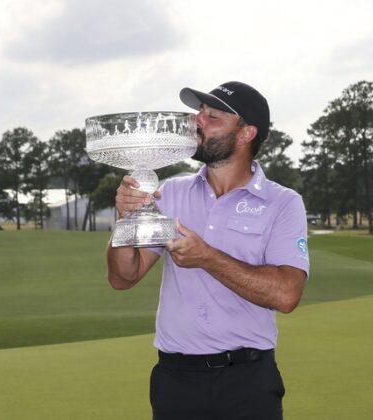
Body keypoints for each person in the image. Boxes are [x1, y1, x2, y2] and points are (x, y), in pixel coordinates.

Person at [106, 81, 309, 420]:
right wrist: (124, 219)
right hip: (176, 380)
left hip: (248, 381)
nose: (196, 122)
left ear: (246, 134)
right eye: (199, 113)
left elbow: (287, 294)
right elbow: (122, 277)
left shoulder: (283, 203)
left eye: (213, 116)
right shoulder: (169, 193)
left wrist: (208, 257)